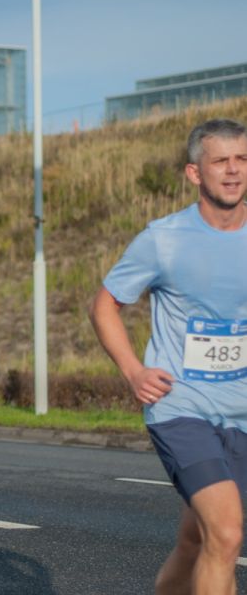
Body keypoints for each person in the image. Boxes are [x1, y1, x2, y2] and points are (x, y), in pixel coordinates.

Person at [90, 119, 247, 595]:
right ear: (195, 173)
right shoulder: (164, 238)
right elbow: (104, 305)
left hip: (242, 412)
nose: (234, 171)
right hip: (182, 409)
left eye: (242, 160)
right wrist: (133, 372)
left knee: (194, 541)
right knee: (225, 534)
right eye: (220, 161)